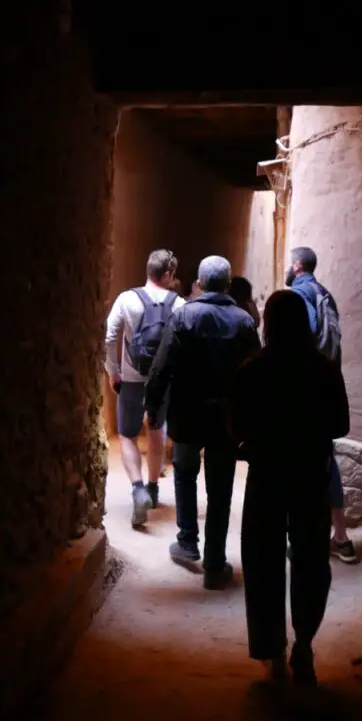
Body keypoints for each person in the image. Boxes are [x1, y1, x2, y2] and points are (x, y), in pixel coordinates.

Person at [229, 289, 350, 686]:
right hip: (310, 474)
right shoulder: (324, 369)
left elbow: (237, 427)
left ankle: (272, 650)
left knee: (263, 561)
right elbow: (340, 425)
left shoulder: (252, 370)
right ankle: (304, 646)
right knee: (312, 560)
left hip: (266, 475)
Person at [146, 255, 260, 589]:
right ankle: (213, 562)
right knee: (221, 487)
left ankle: (186, 541)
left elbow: (162, 365)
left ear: (199, 282)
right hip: (226, 418)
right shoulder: (243, 322)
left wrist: (153, 405)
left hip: (187, 412)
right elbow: (254, 372)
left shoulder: (183, 316)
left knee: (184, 473)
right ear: (227, 284)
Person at [285, 246, 358, 563]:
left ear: (297, 265)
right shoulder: (325, 293)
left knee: (296, 463)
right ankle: (340, 537)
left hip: (303, 389)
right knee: (326, 460)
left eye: (291, 262)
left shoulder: (300, 294)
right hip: (325, 386)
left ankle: (303, 541)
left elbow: (308, 331)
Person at [105, 249, 185, 527]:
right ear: (167, 275)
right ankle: (153, 487)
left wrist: (113, 371)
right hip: (161, 383)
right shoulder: (179, 304)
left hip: (131, 378)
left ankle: (138, 488)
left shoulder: (127, 299)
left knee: (127, 434)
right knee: (155, 428)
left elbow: (110, 335)